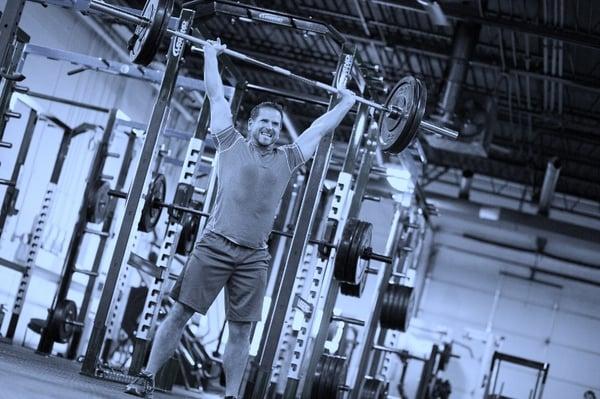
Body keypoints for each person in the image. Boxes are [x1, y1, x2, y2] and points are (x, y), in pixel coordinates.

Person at [125, 38, 356, 399]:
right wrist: (210, 55)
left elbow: (319, 129)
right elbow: (216, 96)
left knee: (242, 331)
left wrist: (346, 102)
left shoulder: (288, 158)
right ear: (251, 124)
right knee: (180, 313)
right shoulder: (230, 142)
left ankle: (232, 396)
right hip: (215, 245)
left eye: (276, 124)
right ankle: (146, 376)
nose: (270, 127)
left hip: (254, 257)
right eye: (264, 121)